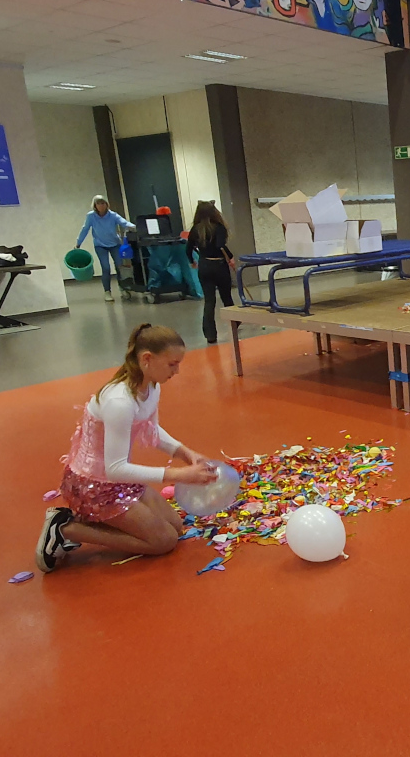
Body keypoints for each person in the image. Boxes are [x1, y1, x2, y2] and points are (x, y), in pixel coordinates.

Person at [36, 323, 219, 572]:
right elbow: (115, 469)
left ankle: (101, 521)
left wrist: (186, 453)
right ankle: (66, 529)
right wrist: (180, 474)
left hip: (119, 482)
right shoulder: (119, 401)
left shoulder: (151, 386)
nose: (176, 371)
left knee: (175, 527)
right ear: (147, 359)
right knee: (164, 541)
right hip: (93, 486)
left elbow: (150, 429)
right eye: (172, 364)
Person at [186, 201, 237, 343]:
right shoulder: (219, 227)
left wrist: (192, 261)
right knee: (226, 297)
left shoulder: (195, 229)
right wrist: (231, 257)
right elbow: (220, 245)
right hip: (219, 265)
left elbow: (188, 249)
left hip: (204, 265)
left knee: (209, 301)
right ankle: (234, 323)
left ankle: (210, 334)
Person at [76, 195, 136, 302]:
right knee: (106, 268)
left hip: (115, 244)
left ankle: (123, 288)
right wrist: (78, 243)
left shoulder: (112, 215)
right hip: (100, 245)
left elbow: (124, 222)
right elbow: (85, 229)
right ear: (95, 205)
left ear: (106, 204)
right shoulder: (91, 216)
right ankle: (107, 292)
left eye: (103, 203)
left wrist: (134, 227)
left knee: (119, 267)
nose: (101, 206)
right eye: (98, 203)